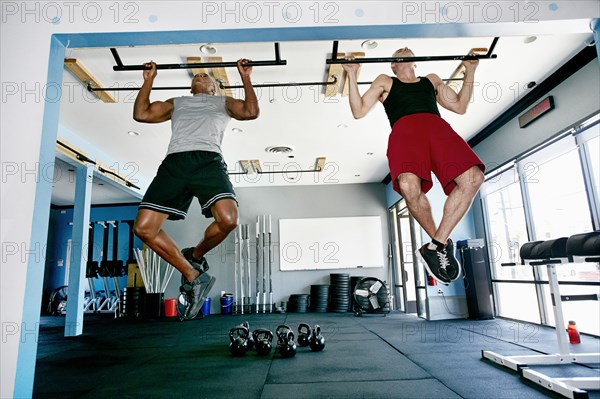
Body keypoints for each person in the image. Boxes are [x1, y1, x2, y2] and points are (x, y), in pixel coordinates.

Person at [342, 47, 485, 285]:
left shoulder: (432, 80)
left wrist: (470, 71)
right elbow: (358, 111)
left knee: (473, 178)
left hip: (437, 130)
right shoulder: (385, 81)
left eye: (409, 50)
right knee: (409, 186)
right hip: (405, 133)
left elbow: (460, 107)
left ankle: (436, 245)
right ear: (393, 65)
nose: (405, 49)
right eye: (398, 52)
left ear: (416, 62)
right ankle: (440, 245)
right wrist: (351, 75)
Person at [132, 59, 259, 319]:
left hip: (208, 161)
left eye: (207, 76)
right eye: (197, 76)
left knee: (229, 219)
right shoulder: (176, 102)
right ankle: (192, 275)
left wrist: (245, 77)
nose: (201, 75)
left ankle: (195, 255)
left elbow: (250, 112)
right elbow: (141, 114)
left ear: (214, 87)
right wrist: (148, 80)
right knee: (143, 228)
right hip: (175, 163)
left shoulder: (222, 102)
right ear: (191, 88)